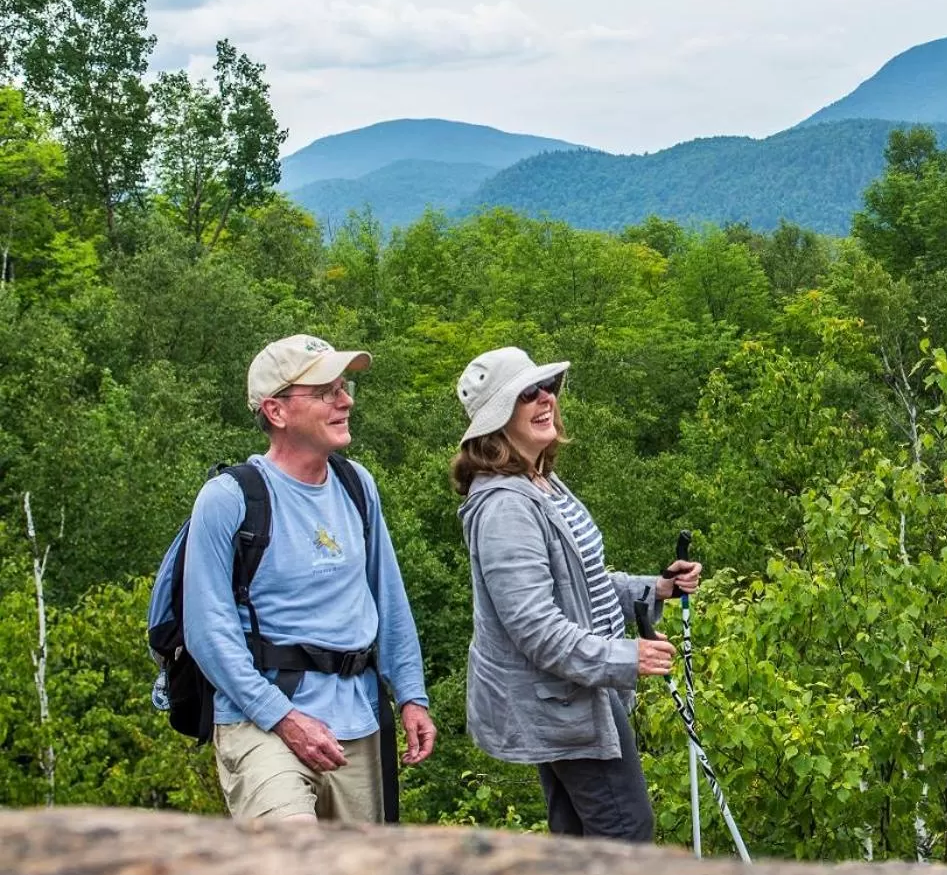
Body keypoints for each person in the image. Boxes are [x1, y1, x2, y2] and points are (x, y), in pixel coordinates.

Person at [182, 335, 436, 823]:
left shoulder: (356, 484)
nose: (346, 400)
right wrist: (284, 717)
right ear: (277, 412)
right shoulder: (229, 498)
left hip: (358, 719)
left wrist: (410, 694)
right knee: (290, 860)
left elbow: (387, 595)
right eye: (324, 391)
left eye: (344, 387)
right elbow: (207, 633)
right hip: (262, 721)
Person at [451, 346, 699, 840]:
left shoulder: (540, 481)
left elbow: (580, 584)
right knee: (624, 835)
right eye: (527, 394)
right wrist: (625, 657)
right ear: (498, 418)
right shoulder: (505, 506)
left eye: (549, 388)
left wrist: (655, 589)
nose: (546, 399)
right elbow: (534, 627)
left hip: (577, 689)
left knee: (577, 837)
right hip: (563, 698)